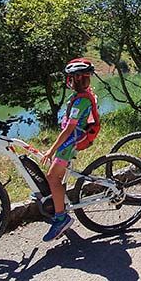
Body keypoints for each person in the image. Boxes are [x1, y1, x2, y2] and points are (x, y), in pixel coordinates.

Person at [41, 58, 98, 242]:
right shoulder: (83, 96)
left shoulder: (80, 101)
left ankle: (61, 218)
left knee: (52, 177)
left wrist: (51, 149)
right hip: (69, 141)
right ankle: (60, 205)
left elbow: (68, 130)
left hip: (69, 143)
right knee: (57, 177)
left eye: (71, 79)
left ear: (73, 80)